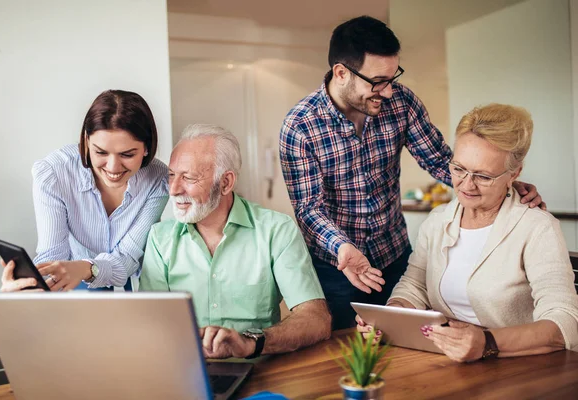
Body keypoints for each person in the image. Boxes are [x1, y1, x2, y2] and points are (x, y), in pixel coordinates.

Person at [279, 16, 544, 330]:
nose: (389, 92)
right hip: (337, 267)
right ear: (341, 73)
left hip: (394, 255)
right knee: (344, 354)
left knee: (404, 342)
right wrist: (342, 247)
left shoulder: (402, 103)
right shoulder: (300, 127)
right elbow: (309, 208)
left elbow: (439, 160)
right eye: (378, 82)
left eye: (393, 79)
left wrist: (502, 185)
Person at [356, 104, 578, 361]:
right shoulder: (438, 221)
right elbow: (414, 286)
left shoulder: (537, 228)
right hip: (446, 360)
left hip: (519, 367)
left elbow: (565, 322)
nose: (466, 185)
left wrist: (487, 343)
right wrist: (390, 318)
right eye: (459, 169)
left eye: (483, 176)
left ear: (514, 174)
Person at [139, 124, 331, 359]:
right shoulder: (160, 238)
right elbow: (150, 323)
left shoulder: (276, 230)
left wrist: (250, 342)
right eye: (171, 175)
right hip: (186, 370)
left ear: (226, 183)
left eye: (188, 177)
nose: (174, 189)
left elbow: (316, 320)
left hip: (258, 369)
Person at [0, 90, 169, 292]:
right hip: (72, 285)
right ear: (87, 141)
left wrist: (88, 268)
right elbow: (52, 253)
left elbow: (129, 256)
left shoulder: (158, 179)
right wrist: (30, 284)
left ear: (147, 148)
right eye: (100, 152)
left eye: (127, 154)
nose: (113, 167)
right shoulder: (54, 173)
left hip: (130, 286)